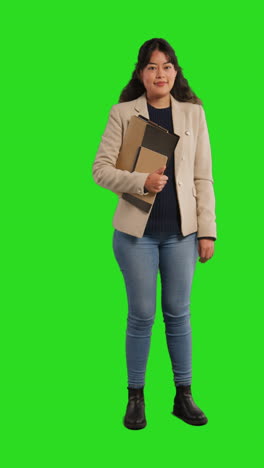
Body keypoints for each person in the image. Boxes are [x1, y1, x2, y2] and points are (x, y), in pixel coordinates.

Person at [92, 38, 216, 430]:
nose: (159, 74)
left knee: (179, 314)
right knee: (141, 315)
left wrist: (207, 231)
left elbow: (203, 176)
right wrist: (139, 180)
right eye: (151, 67)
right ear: (141, 73)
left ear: (175, 72)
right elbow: (100, 169)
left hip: (182, 235)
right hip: (135, 236)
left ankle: (183, 396)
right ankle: (135, 397)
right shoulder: (122, 113)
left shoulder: (193, 115)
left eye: (166, 66)